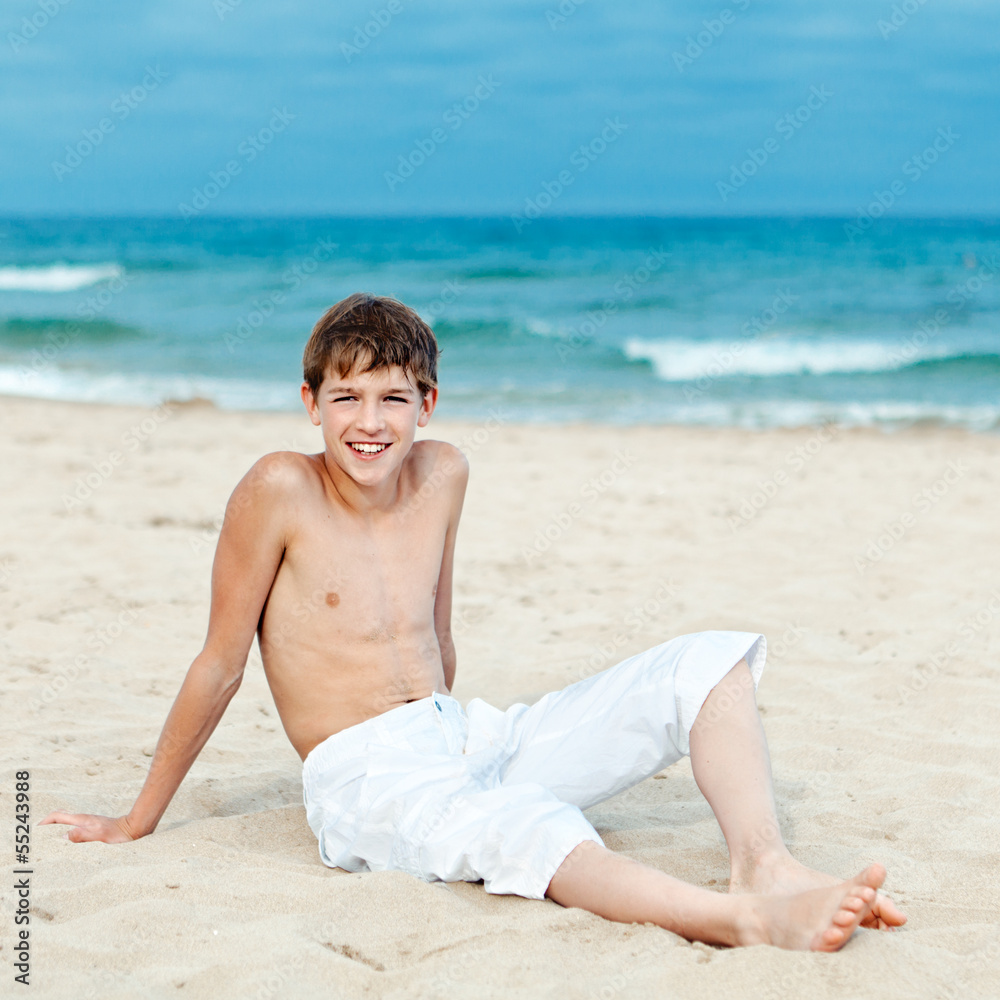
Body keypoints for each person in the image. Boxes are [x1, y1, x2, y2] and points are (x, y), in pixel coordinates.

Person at [42, 292, 906, 951]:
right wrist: (135, 819)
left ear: (430, 403)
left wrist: (460, 742)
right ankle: (741, 921)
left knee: (709, 664)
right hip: (366, 778)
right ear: (310, 404)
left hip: (463, 737)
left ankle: (766, 862)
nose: (369, 423)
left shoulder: (445, 472)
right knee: (534, 833)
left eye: (392, 398)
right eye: (346, 398)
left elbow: (435, 630)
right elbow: (220, 663)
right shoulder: (280, 489)